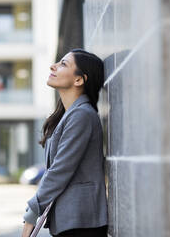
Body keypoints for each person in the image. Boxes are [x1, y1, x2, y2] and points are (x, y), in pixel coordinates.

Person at [22, 49, 108, 237]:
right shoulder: (69, 115)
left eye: (63, 64)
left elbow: (61, 169)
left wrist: (33, 210)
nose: (53, 66)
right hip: (72, 221)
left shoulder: (82, 115)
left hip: (82, 223)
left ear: (79, 80)